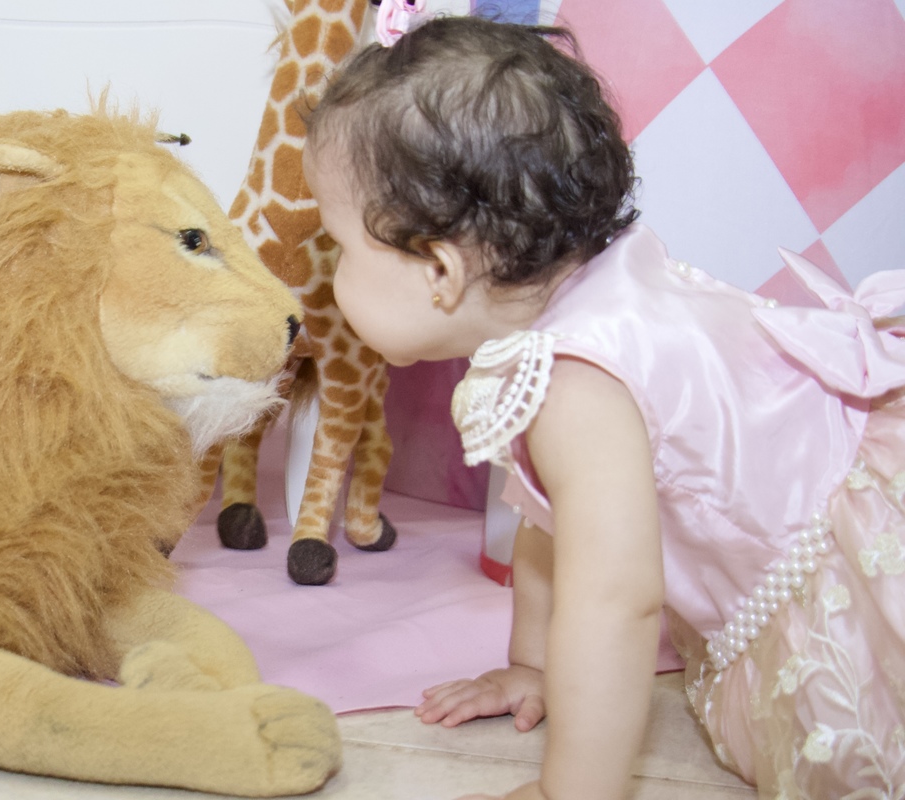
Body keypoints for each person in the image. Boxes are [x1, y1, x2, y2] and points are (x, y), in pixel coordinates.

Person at [301, 15, 905, 800]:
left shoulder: (579, 384)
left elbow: (615, 601)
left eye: (340, 247)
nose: (331, 274)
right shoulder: (577, 308)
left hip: (857, 551)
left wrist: (573, 790)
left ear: (440, 271)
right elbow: (550, 518)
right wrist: (534, 666)